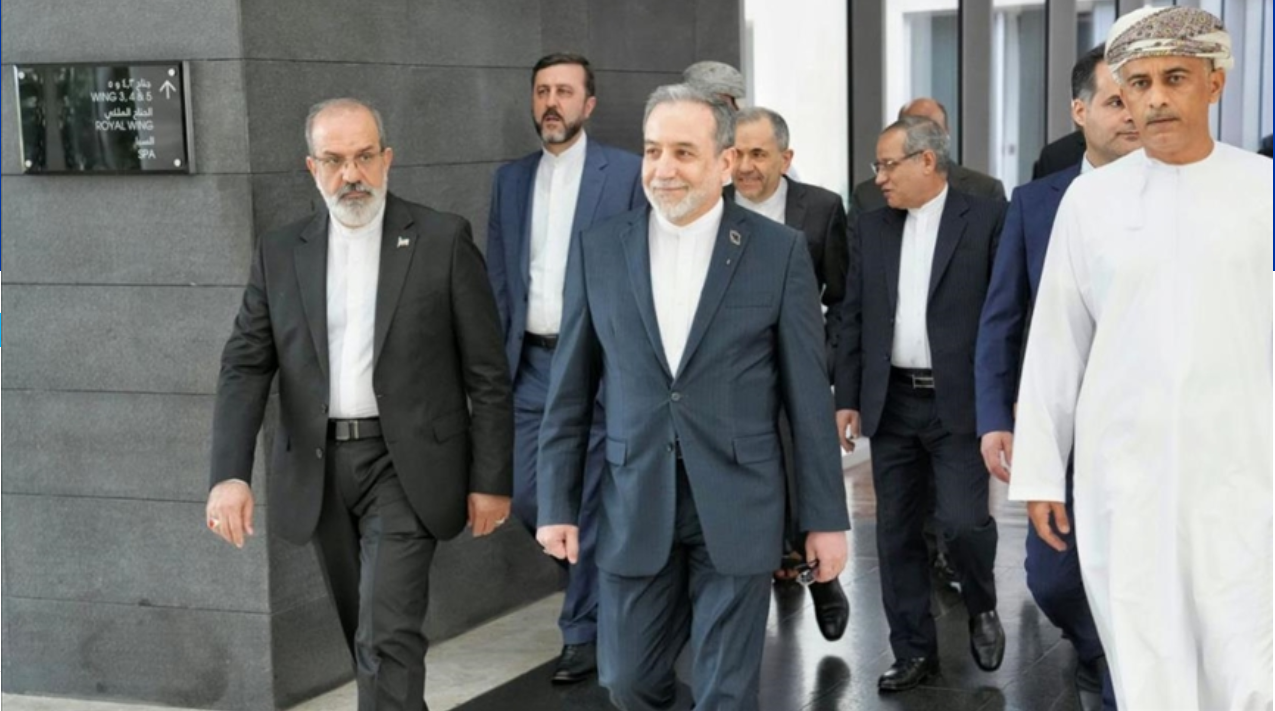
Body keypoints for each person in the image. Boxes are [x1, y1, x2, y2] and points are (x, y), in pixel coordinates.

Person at [537, 84, 850, 711]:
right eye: (653, 151)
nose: (663, 168)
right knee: (627, 681)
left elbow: (808, 399)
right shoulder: (600, 248)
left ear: (725, 162)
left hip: (739, 501)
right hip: (634, 497)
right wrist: (556, 504)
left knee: (725, 693)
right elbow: (569, 392)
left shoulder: (778, 252)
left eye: (684, 152)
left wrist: (824, 519)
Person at [205, 98, 513, 711]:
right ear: (312, 167)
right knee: (364, 635)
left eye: (365, 157)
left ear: (387, 158)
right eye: (335, 160)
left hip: (406, 466)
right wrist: (229, 475)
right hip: (319, 469)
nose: (352, 174)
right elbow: (244, 366)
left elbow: (487, 372)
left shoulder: (441, 239)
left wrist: (492, 478)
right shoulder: (280, 252)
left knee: (385, 633)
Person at [1009, 7, 1273, 710]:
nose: (1154, 99)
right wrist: (1041, 470)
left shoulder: (1263, 190)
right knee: (1144, 656)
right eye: (1138, 83)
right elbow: (1057, 340)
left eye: (1174, 78)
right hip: (1125, 478)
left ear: (1214, 83)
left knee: (1248, 657)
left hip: (1245, 472)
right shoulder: (1089, 201)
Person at [975, 43, 1140, 711]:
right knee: (1052, 577)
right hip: (1063, 423)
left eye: (1138, 98)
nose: (1133, 113)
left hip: (1146, 424)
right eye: (1116, 100)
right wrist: (994, 416)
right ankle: (1099, 648)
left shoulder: (1172, 197)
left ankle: (1122, 671)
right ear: (1080, 111)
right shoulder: (1037, 202)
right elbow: (1001, 316)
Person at [485, 52, 644, 685]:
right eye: (542, 91)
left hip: (600, 364)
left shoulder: (626, 173)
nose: (552, 103)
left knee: (593, 499)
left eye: (565, 92)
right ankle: (599, 584)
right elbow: (501, 278)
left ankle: (582, 630)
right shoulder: (510, 180)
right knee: (531, 494)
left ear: (589, 104)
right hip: (530, 364)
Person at [834, 116, 1007, 692]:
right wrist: (847, 396)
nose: (879, 177)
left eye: (888, 165)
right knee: (896, 534)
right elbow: (854, 314)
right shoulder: (873, 226)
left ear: (927, 161)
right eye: (877, 166)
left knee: (962, 523)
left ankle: (981, 602)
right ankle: (912, 651)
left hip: (959, 402)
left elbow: (1006, 315)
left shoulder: (985, 218)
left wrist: (1003, 403)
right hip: (893, 402)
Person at [724, 105, 851, 642]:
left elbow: (842, 299)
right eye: (737, 154)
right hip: (733, 374)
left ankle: (822, 576)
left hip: (799, 366)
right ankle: (777, 566)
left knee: (803, 465)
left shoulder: (820, 209)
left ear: (786, 157)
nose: (745, 167)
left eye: (759, 154)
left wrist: (824, 363)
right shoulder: (712, 206)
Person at [850, 98, 1006, 216]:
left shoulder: (986, 192)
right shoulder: (868, 198)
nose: (924, 138)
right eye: (913, 129)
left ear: (947, 132)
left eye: (932, 129)